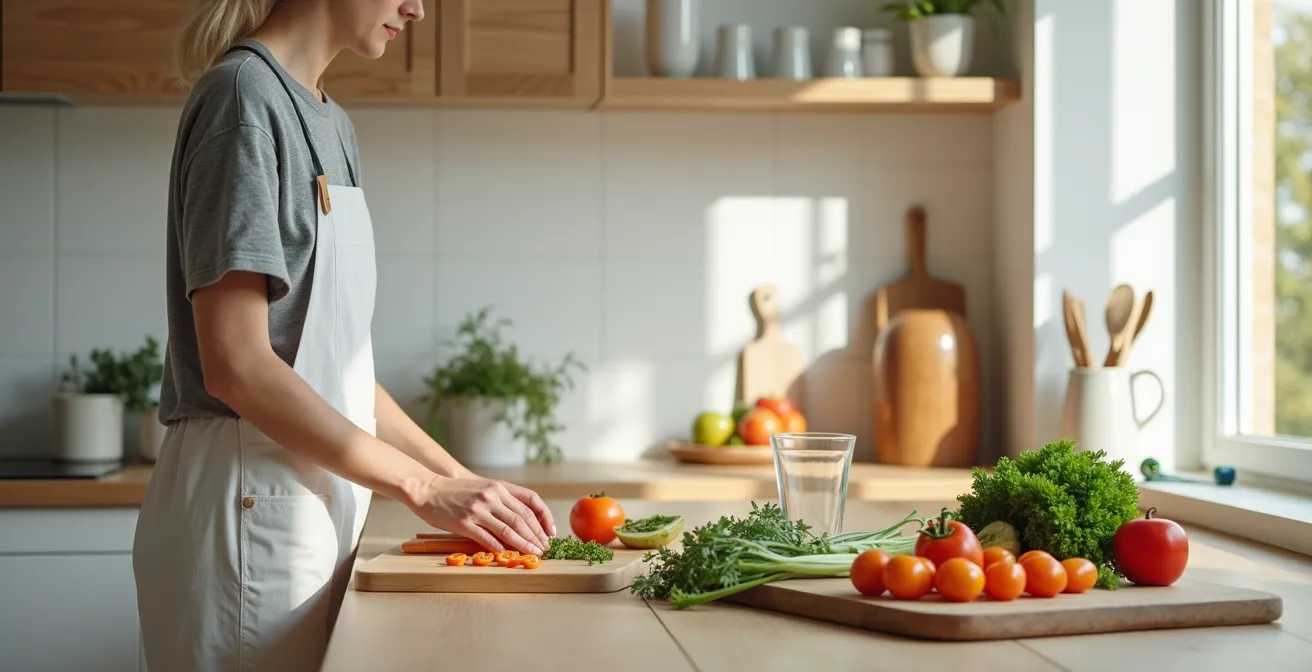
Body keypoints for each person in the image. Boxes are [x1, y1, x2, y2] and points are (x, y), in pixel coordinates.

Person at [132, 1, 556, 670]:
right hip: (245, 502)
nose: (417, 9)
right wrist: (421, 488)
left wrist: (461, 479)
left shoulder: (331, 122)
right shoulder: (242, 101)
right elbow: (237, 365)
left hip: (312, 501)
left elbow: (341, 374)